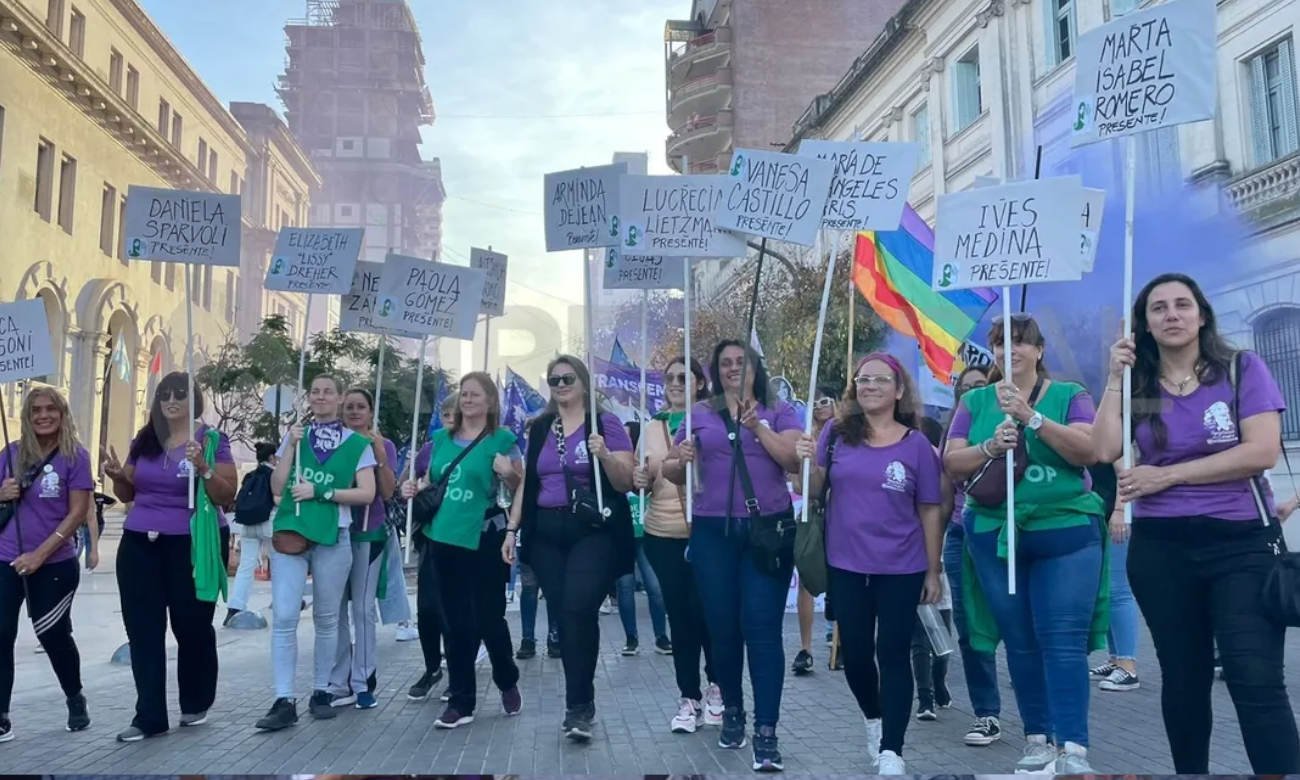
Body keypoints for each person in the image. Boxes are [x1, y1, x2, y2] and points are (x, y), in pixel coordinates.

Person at [1094, 272, 1300, 774]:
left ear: (1201, 314)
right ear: (1144, 324)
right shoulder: (1139, 386)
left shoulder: (1238, 369)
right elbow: (1102, 449)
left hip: (1242, 546)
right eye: (1158, 308)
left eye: (1182, 305)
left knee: (1255, 678)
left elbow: (1261, 451)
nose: (1171, 315)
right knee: (1183, 680)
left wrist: (1168, 477)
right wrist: (1114, 378)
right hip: (1163, 551)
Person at [944, 313, 1105, 775]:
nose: (1008, 351)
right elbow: (952, 461)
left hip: (1065, 531)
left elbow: (1088, 449)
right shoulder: (974, 401)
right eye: (999, 343)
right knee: (1019, 640)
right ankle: (1037, 738)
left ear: (1039, 351)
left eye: (1020, 342)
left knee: (1062, 639)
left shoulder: (1070, 395)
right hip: (996, 535)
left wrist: (1032, 418)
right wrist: (991, 447)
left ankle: (1073, 747)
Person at [796, 354, 944, 775]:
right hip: (846, 564)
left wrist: (933, 571)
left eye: (881, 380)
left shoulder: (916, 445)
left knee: (892, 653)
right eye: (863, 380)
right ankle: (874, 719)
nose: (870, 386)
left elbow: (930, 509)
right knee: (857, 656)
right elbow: (815, 490)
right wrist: (807, 461)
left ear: (899, 390)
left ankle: (893, 749)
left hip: (902, 566)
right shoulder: (836, 434)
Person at [663, 341, 801, 772]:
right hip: (712, 532)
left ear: (756, 368)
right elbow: (669, 470)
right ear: (715, 371)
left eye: (741, 362)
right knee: (722, 629)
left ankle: (767, 731)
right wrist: (678, 458)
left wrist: (757, 426)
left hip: (767, 531)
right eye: (725, 363)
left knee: (762, 630)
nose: (733, 369)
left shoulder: (779, 411)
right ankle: (733, 712)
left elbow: (793, 459)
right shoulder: (700, 413)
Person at [503, 355, 635, 742]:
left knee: (579, 608)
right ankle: (578, 703)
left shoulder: (605, 424)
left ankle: (580, 706)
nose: (560, 384)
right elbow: (529, 482)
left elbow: (626, 481)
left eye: (567, 377)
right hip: (545, 530)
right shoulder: (541, 427)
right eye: (554, 379)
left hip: (591, 529)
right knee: (565, 614)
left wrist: (605, 455)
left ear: (583, 382)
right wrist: (512, 529)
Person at [103, 372, 237, 742]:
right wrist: (116, 475)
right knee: (143, 629)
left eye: (180, 394)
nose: (171, 400)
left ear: (194, 400)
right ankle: (149, 715)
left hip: (190, 544)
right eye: (165, 394)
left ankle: (196, 699)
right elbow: (128, 491)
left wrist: (203, 468)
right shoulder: (144, 439)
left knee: (191, 626)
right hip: (140, 542)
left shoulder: (211, 440)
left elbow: (226, 495)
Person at [255, 374, 377, 732]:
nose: (321, 397)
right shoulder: (296, 436)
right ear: (308, 398)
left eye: (328, 392)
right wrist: (289, 449)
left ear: (340, 398)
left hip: (334, 535)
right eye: (315, 392)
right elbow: (277, 486)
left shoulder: (357, 444)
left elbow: (366, 493)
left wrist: (322, 493)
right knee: (285, 616)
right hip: (292, 533)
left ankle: (322, 690)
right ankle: (283, 698)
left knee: (327, 618)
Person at [401, 372, 523, 728]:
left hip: (483, 537)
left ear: (489, 402)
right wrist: (414, 487)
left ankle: (506, 676)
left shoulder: (503, 440)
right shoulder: (440, 439)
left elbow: (520, 488)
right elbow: (432, 480)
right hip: (442, 538)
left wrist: (508, 473)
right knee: (454, 623)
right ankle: (461, 701)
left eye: (474, 394)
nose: (467, 400)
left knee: (488, 619)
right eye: (463, 394)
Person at [634, 356, 724, 735]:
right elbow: (643, 475)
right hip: (663, 533)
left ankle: (718, 689)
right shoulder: (652, 427)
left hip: (707, 530)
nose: (674, 383)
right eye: (668, 377)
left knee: (710, 615)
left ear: (700, 384)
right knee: (681, 618)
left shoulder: (714, 419)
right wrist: (639, 476)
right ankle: (688, 698)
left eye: (682, 378)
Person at [0, 386, 93, 741]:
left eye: (50, 409)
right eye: (36, 409)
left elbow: (78, 512)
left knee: (52, 635)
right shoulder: (9, 454)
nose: (43, 415)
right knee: (1, 634)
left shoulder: (75, 457)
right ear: (27, 416)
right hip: (5, 558)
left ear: (62, 413)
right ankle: (2, 715)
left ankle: (74, 695)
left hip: (54, 563)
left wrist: (40, 554)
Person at [938, 365, 1004, 748]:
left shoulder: (1014, 420)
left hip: (1012, 531)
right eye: (966, 388)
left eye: (981, 386)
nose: (974, 393)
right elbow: (945, 490)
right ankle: (986, 713)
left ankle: (1041, 718)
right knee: (971, 627)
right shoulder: (955, 432)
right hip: (964, 532)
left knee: (1021, 624)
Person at [326, 388, 396, 710]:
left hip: (369, 533)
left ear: (370, 412)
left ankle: (363, 679)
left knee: (362, 609)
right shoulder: (332, 444)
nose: (355, 412)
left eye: (361, 407)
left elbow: (388, 491)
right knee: (334, 610)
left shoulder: (382, 446)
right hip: (332, 533)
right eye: (349, 406)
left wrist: (379, 453)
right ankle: (338, 681)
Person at [403, 394, 459, 698]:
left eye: (456, 414)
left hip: (462, 535)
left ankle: (457, 671)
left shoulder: (476, 447)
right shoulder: (431, 447)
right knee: (426, 608)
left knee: (453, 608)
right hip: (430, 534)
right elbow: (406, 483)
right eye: (446, 414)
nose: (451, 420)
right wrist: (411, 486)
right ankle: (431, 666)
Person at [791, 384, 839, 677]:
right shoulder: (806, 438)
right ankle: (805, 648)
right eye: (816, 402)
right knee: (807, 578)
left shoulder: (847, 434)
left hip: (843, 515)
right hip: (813, 516)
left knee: (846, 580)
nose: (820, 407)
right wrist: (805, 463)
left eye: (825, 401)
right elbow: (797, 485)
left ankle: (840, 641)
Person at [911, 416, 954, 723]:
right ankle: (924, 696)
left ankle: (939, 683)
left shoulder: (942, 472)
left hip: (942, 562)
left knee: (943, 633)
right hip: (911, 560)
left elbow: (943, 511)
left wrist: (936, 559)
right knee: (919, 636)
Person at [616, 421, 671, 657]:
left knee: (656, 587)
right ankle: (631, 638)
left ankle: (661, 636)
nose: (626, 441)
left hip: (646, 533)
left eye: (630, 437)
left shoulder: (647, 459)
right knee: (625, 587)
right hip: (623, 534)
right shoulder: (617, 463)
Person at [1085, 462, 1141, 692]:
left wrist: (1120, 510)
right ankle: (1116, 659)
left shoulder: (1115, 429)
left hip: (1115, 516)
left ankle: (1128, 665)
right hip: (1101, 512)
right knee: (1107, 589)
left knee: (1118, 590)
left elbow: (1126, 469)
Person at [226, 442, 277, 626]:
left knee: (246, 566)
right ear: (271, 457)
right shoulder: (275, 475)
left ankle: (235, 607)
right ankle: (282, 602)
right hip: (270, 522)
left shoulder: (250, 475)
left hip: (248, 525)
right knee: (279, 564)